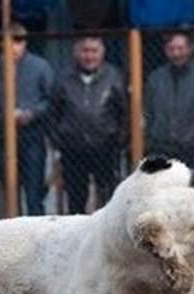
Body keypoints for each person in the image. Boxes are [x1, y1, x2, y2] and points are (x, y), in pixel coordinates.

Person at [0, 22, 54, 216]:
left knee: (34, 193)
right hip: (2, 136)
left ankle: (38, 238)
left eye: (19, 40)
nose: (14, 45)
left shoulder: (40, 66)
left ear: (25, 43)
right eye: (9, 41)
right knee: (9, 191)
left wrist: (31, 113)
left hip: (32, 136)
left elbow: (52, 101)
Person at [49, 37, 128, 214]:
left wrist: (119, 141)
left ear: (102, 53)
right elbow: (53, 113)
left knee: (108, 198)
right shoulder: (63, 78)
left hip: (106, 148)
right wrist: (59, 141)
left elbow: (124, 112)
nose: (89, 56)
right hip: (73, 149)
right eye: (85, 51)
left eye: (94, 51)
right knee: (76, 199)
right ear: (76, 53)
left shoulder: (114, 76)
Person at [144, 32, 194, 175]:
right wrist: (151, 140)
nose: (176, 53)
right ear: (165, 50)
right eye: (171, 48)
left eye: (180, 48)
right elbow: (148, 111)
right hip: (163, 149)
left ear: (190, 49)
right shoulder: (155, 78)